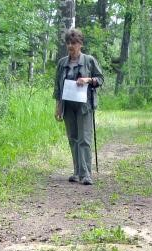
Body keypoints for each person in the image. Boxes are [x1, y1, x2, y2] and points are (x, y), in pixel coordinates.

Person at [53, 28, 104, 185]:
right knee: (73, 138)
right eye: (68, 43)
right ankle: (77, 172)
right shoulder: (62, 63)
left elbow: (100, 79)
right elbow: (58, 87)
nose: (71, 46)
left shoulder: (89, 60)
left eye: (74, 43)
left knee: (84, 139)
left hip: (84, 106)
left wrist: (88, 80)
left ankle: (86, 174)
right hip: (68, 106)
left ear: (80, 44)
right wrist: (58, 106)